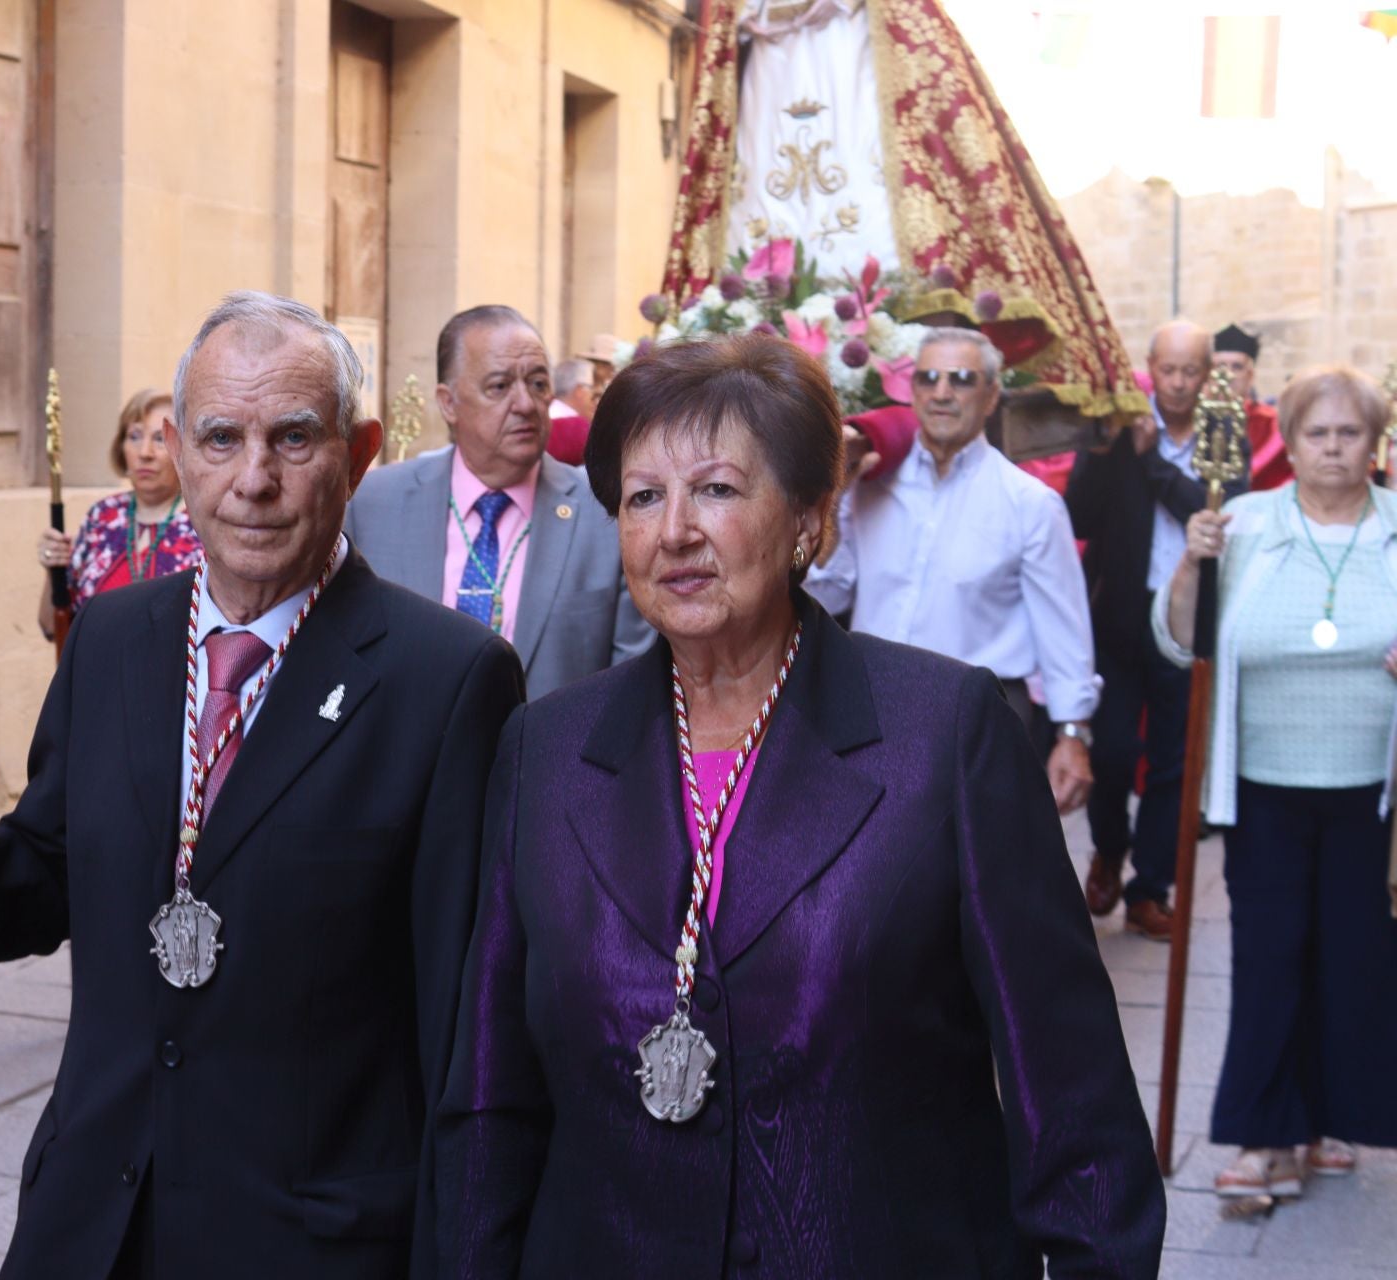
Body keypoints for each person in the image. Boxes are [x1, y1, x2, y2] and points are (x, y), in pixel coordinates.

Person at [0, 292, 524, 1279]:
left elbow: (465, 1034)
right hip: (93, 1224)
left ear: (359, 453)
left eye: (293, 439)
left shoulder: (445, 679)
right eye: (220, 437)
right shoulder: (112, 639)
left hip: (310, 1243)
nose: (254, 479)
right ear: (181, 453)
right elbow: (42, 875)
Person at [436, 334, 1164, 1278]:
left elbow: (1069, 1091)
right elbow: (492, 1097)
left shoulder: (942, 735)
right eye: (644, 497)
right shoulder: (549, 752)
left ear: (810, 520)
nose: (675, 532)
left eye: (719, 490)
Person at [1154, 365, 1397, 1200]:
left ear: (1375, 443)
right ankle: (1266, 1136)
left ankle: (1329, 1119)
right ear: (1286, 444)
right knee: (1268, 952)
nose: (1333, 449)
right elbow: (1184, 642)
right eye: (1317, 434)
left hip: (1375, 790)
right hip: (1262, 782)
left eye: (1349, 433)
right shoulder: (1243, 523)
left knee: (1355, 957)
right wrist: (1191, 566)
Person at [807, 327, 1097, 811]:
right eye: (928, 378)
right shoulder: (869, 486)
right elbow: (830, 595)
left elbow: (1063, 631)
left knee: (968, 873)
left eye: (962, 379)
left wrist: (1072, 733)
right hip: (869, 705)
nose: (942, 392)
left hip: (978, 717)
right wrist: (829, 505)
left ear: (991, 395)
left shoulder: (1029, 504)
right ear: (912, 390)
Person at [345, 305, 652, 698]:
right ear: (448, 403)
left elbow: (632, 681)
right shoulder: (372, 506)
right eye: (499, 386)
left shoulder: (605, 512)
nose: (525, 404)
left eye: (539, 384)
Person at [1066, 319, 1245, 941]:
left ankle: (1150, 889)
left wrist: (1153, 468)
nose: (1176, 382)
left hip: (1188, 612)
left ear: (1206, 374)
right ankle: (1109, 851)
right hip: (1119, 610)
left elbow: (1219, 511)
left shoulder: (1223, 428)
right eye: (1166, 369)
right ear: (1149, 367)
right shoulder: (1121, 427)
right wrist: (1111, 454)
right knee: (1113, 750)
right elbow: (1079, 514)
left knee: (1175, 758)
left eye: (1189, 370)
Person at [35, 386, 203, 639]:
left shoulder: (202, 523)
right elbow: (51, 627)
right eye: (134, 436)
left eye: (159, 439)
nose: (144, 453)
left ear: (181, 450)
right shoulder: (103, 517)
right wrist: (54, 570)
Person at [1213, 323, 1290, 491]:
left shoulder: (1272, 423)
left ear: (1250, 376)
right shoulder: (1193, 420)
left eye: (1237, 367)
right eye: (1220, 367)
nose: (1228, 375)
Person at [545, 358, 594, 465]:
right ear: (580, 391)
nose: (593, 399)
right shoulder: (580, 429)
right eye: (591, 388)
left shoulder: (542, 417)